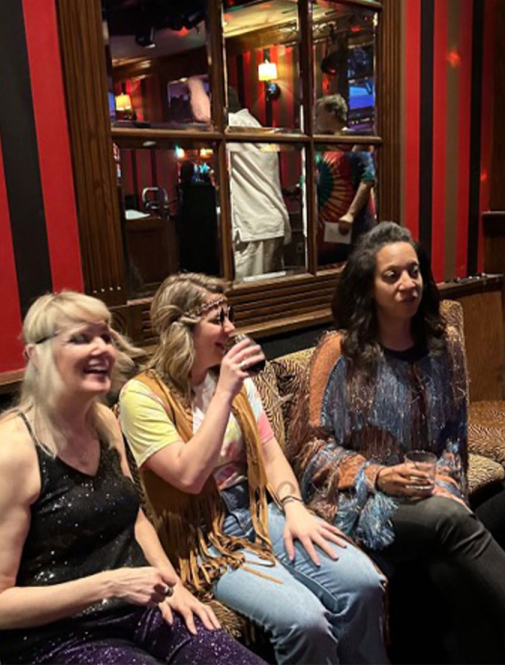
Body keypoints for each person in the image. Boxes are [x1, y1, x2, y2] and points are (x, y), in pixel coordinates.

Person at [289, 222, 505, 665]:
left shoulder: (444, 345)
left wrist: (443, 483)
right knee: (451, 521)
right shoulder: (340, 352)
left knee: (455, 567)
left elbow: (454, 439)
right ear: (368, 286)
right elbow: (310, 450)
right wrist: (378, 476)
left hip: (429, 495)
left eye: (414, 271)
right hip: (358, 503)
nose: (408, 283)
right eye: (392, 276)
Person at [0, 290, 263, 665]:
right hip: (56, 637)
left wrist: (173, 585)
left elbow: (135, 519)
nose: (102, 349)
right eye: (80, 338)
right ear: (35, 356)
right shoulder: (8, 450)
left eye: (105, 336)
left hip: (136, 611)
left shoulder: (104, 421)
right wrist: (110, 584)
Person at [118, 273, 388, 665]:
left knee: (363, 585)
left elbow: (270, 454)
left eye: (230, 314)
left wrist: (294, 508)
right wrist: (225, 391)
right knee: (305, 621)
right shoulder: (141, 395)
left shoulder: (231, 378)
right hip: (202, 535)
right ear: (181, 329)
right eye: (217, 319)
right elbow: (189, 476)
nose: (230, 328)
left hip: (259, 510)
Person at [188, 77, 291, 280]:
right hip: (269, 223)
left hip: (255, 226)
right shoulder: (252, 124)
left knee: (249, 293)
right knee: (270, 290)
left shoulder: (236, 125)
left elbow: (203, 114)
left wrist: (193, 82)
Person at [314, 95, 376, 265]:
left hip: (350, 223)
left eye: (318, 114)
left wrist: (350, 214)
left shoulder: (352, 141)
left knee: (352, 266)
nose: (315, 118)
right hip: (327, 224)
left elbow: (368, 178)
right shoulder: (324, 144)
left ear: (332, 113)